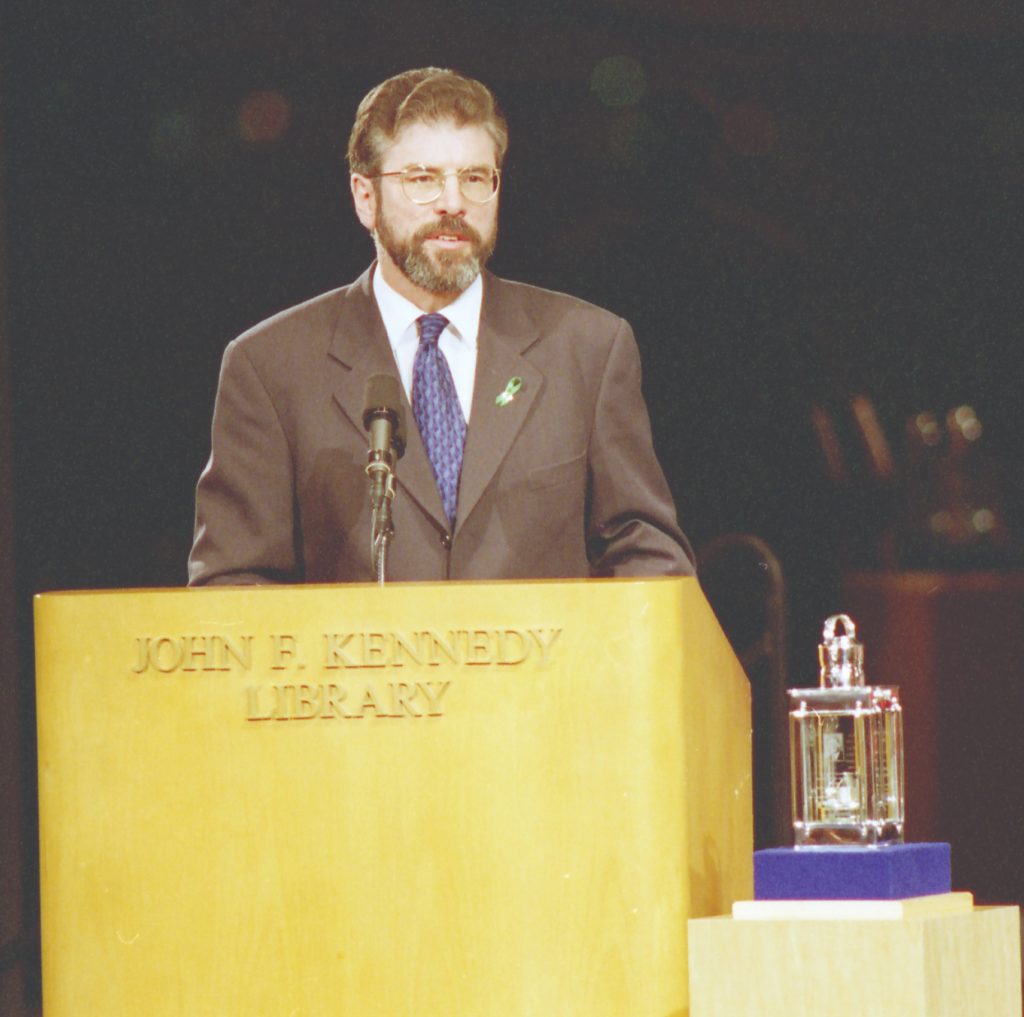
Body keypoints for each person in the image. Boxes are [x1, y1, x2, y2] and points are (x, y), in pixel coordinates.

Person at [188, 67, 694, 585]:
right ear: (366, 197)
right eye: (423, 179)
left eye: (474, 179)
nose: (453, 203)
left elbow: (648, 555)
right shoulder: (271, 366)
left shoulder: (587, 347)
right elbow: (233, 585)